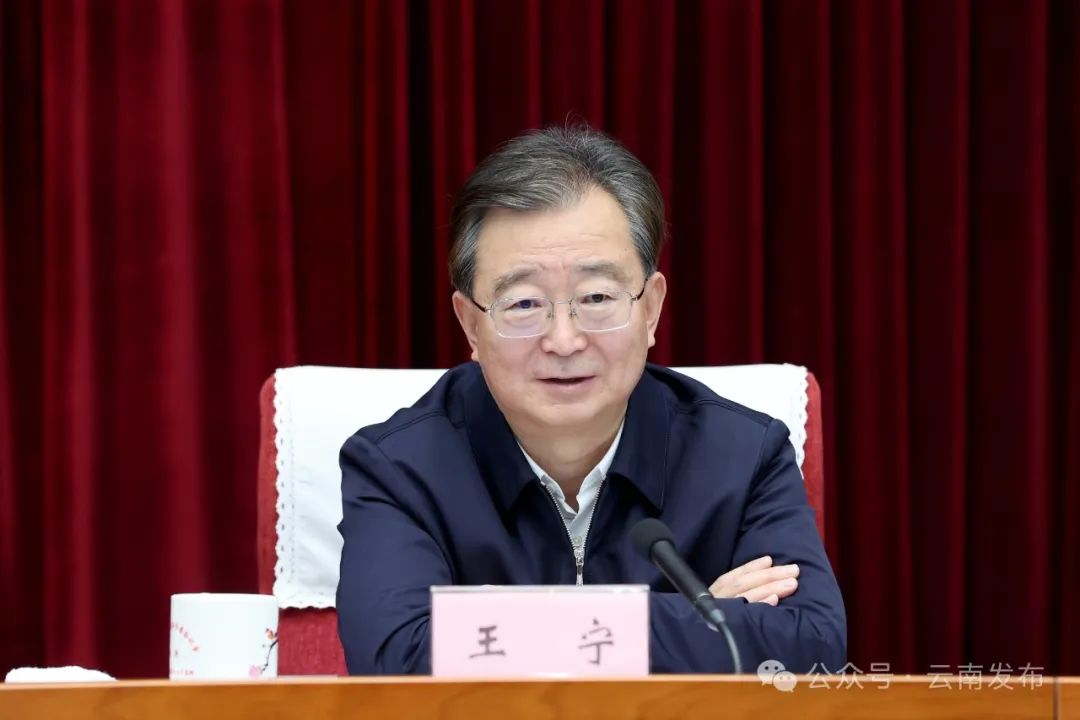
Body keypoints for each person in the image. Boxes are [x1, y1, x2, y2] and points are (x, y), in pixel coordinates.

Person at [336, 125, 846, 674]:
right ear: (470, 325)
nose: (563, 340)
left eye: (597, 296)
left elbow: (810, 645)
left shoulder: (743, 455)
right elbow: (398, 659)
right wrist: (700, 619)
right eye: (524, 303)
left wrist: (497, 628)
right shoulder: (398, 468)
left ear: (651, 309)